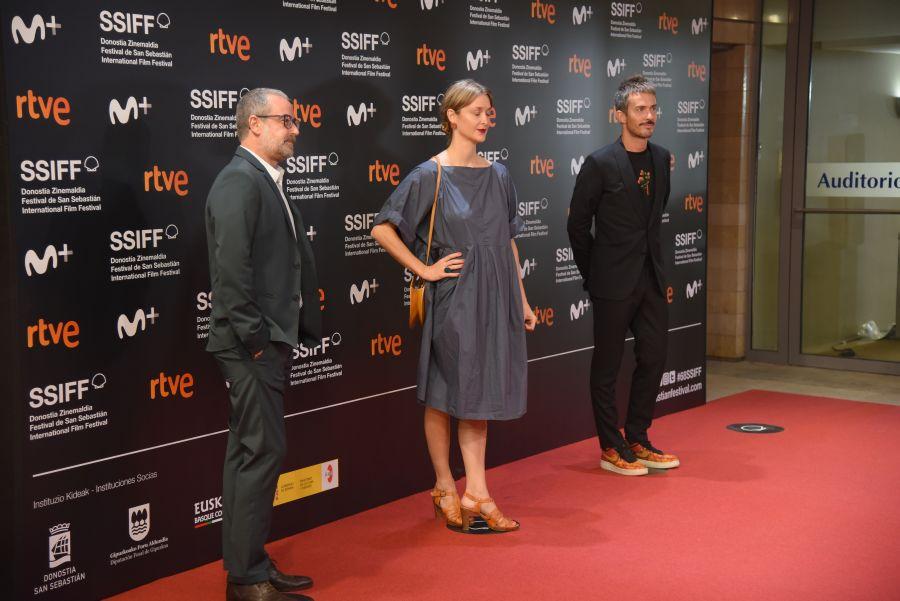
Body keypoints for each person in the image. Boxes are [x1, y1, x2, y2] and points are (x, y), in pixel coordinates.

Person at [371, 79, 536, 533]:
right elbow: (383, 227)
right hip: (456, 299)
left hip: (498, 295)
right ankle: (454, 485)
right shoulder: (431, 174)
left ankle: (468, 489)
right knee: (449, 394)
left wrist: (522, 298)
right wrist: (423, 269)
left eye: (490, 112)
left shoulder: (500, 174)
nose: (486, 120)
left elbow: (507, 242)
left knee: (473, 393)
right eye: (477, 112)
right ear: (453, 117)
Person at [205, 87, 321, 601]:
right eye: (287, 121)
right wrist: (256, 342)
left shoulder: (263, 180)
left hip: (264, 340)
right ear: (255, 124)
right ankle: (247, 580)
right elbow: (231, 275)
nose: (295, 130)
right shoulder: (238, 180)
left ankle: (248, 566)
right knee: (262, 451)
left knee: (249, 452)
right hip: (252, 344)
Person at [566, 75, 681, 476]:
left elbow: (654, 217)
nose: (649, 116)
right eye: (640, 109)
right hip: (611, 283)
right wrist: (594, 274)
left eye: (653, 108)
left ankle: (638, 437)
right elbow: (578, 226)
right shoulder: (599, 163)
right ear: (619, 115)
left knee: (654, 357)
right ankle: (610, 447)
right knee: (608, 366)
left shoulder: (663, 158)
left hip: (651, 279)